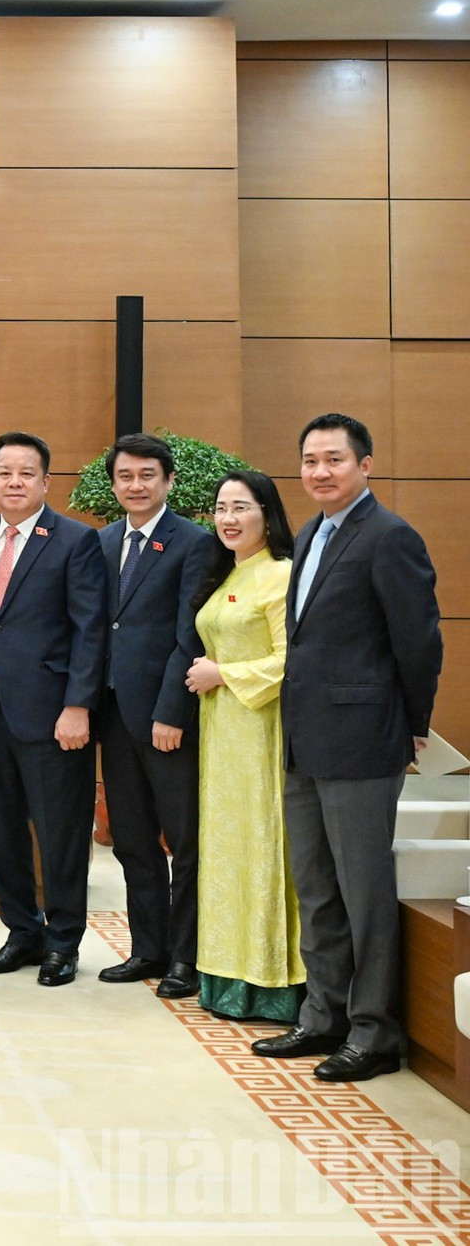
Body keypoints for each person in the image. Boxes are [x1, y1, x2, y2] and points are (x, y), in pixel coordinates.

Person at [253, 414, 444, 1082]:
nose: (320, 471)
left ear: (365, 465)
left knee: (364, 895)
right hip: (306, 739)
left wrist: (413, 723)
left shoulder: (390, 537)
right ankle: (324, 1015)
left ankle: (374, 1032)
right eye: (310, 460)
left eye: (334, 459)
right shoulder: (313, 533)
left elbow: (418, 642)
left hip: (363, 741)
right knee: (317, 888)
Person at [0, 431, 109, 988]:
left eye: (27, 473)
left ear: (46, 482)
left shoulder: (75, 540)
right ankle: (21, 932)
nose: (15, 482)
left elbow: (90, 631)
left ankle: (63, 941)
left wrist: (78, 706)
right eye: (5, 472)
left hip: (54, 716)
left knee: (60, 835)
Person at [94, 433, 221, 1000]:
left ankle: (186, 958)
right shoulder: (102, 542)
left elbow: (189, 634)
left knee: (184, 841)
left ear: (168, 480)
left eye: (147, 475)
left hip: (168, 721)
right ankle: (148, 949)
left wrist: (172, 711)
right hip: (115, 716)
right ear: (113, 483)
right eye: (125, 476)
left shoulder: (195, 543)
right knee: (133, 841)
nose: (136, 485)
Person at [185, 471, 304, 1023]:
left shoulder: (281, 575)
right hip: (222, 734)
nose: (228, 518)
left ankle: (270, 980)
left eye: (241, 507)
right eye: (221, 508)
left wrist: (223, 673)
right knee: (226, 848)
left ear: (267, 514)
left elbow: (293, 659)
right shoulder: (229, 572)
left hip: (260, 732)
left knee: (260, 844)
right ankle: (224, 972)